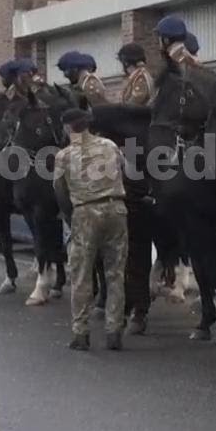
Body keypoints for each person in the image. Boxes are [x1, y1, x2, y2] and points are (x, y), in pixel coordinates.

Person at [52, 107, 128, 351]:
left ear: (67, 127)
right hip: (116, 209)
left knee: (81, 274)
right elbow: (125, 172)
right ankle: (114, 330)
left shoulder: (64, 156)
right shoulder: (110, 146)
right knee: (115, 273)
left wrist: (69, 214)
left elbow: (59, 191)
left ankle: (81, 332)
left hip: (85, 213)